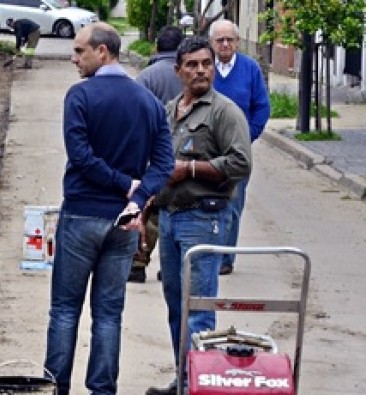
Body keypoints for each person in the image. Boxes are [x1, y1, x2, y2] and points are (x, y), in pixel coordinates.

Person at [44, 22, 174, 395]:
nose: (73, 58)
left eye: (80, 51)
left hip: (84, 213)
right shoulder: (148, 102)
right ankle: (102, 389)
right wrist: (136, 197)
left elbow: (81, 156)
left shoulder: (81, 96)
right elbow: (164, 164)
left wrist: (124, 186)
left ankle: (55, 387)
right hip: (124, 222)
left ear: (103, 52)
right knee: (108, 313)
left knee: (65, 310)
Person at [145, 35, 252, 395]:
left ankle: (199, 387)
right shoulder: (170, 108)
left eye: (206, 63)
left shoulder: (224, 111)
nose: (200, 70)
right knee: (177, 306)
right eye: (191, 65)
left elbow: (240, 162)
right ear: (178, 71)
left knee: (200, 311)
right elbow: (158, 160)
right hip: (171, 217)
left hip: (203, 220)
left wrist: (190, 170)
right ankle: (186, 380)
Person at [209, 19, 270, 276]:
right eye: (220, 40)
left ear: (237, 42)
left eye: (229, 39)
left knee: (233, 205)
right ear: (212, 43)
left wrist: (247, 137)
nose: (225, 44)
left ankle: (225, 259)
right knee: (202, 202)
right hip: (206, 151)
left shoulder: (250, 69)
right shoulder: (204, 67)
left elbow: (261, 107)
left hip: (237, 152)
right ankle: (204, 253)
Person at [129, 25, 185, 283]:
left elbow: (134, 117)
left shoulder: (146, 77)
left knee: (149, 209)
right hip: (187, 150)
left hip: (153, 152)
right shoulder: (189, 74)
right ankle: (172, 265)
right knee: (176, 208)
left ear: (156, 47)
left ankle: (138, 263)